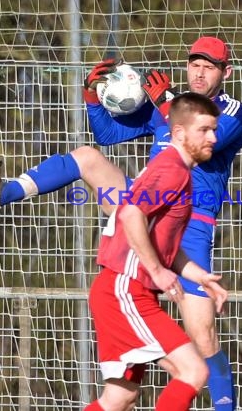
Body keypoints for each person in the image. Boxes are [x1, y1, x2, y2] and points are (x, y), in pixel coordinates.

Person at [0, 36, 242, 410]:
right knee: (88, 155)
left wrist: (166, 102)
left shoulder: (223, 112)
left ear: (225, 72)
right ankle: (2, 193)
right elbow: (108, 135)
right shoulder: (175, 114)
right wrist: (93, 96)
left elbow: (208, 146)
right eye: (194, 63)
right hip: (148, 209)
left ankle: (224, 405)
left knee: (199, 339)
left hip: (190, 222)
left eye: (209, 66)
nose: (199, 72)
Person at [87, 92, 226, 411]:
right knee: (193, 370)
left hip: (126, 290)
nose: (213, 138)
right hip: (125, 289)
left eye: (214, 130)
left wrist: (200, 276)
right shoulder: (172, 169)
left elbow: (166, 248)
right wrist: (159, 271)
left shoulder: (180, 173)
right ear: (178, 133)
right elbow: (131, 214)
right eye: (204, 130)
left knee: (119, 397)